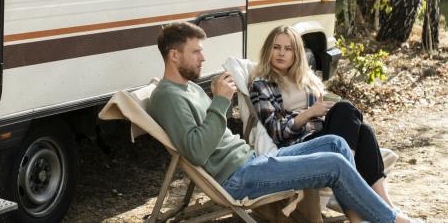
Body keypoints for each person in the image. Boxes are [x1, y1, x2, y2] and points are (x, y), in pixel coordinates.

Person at [147, 22, 420, 223]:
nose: (203, 58)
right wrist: (220, 102)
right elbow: (195, 150)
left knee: (337, 143)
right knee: (335, 163)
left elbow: (210, 132)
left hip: (251, 161)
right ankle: (393, 220)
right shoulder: (167, 97)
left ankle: (356, 216)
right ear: (174, 55)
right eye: (195, 52)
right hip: (237, 178)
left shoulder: (190, 89)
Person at [251, 26, 395, 207]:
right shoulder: (261, 84)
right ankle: (350, 172)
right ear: (268, 50)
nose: (281, 53)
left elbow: (325, 115)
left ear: (297, 53)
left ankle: (387, 205)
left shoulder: (306, 78)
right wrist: (311, 112)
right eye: (276, 47)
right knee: (347, 112)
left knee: (362, 128)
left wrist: (327, 108)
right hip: (300, 143)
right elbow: (276, 130)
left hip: (323, 133)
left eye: (288, 49)